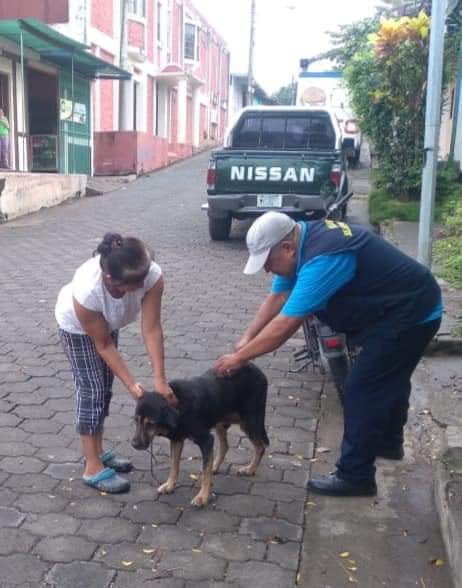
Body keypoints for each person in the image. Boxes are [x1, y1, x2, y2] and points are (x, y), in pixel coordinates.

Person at [214, 212, 442, 497]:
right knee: (389, 378)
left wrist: (241, 358)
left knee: (362, 387)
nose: (267, 271)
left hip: (412, 314)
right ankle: (388, 442)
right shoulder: (300, 243)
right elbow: (277, 297)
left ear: (287, 247)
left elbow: (286, 324)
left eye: (268, 262)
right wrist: (246, 338)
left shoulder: (324, 257)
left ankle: (356, 476)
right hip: (396, 309)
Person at [55, 233, 176, 493]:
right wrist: (132, 384)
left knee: (105, 388)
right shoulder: (88, 291)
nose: (141, 286)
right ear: (111, 279)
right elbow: (104, 345)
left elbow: (152, 328)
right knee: (92, 391)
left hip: (106, 324)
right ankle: (92, 467)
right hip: (76, 327)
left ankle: (98, 452)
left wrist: (160, 380)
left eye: (143, 280)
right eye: (134, 285)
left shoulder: (149, 274)